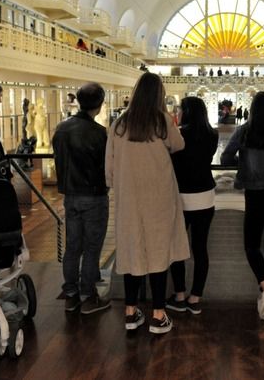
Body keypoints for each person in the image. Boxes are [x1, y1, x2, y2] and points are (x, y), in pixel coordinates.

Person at [105, 72, 189, 335]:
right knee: (158, 253)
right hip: (159, 198)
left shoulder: (119, 124)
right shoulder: (162, 121)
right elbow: (179, 145)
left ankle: (130, 312)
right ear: (159, 95)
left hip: (129, 199)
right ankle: (158, 314)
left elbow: (109, 168)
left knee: (132, 252)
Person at [221, 91, 264, 320]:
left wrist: (244, 164)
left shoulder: (244, 131)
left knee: (251, 245)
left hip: (255, 194)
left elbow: (225, 158)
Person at [53, 83, 111, 315]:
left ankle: (70, 294)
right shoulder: (98, 133)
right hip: (94, 196)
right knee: (92, 247)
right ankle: (88, 295)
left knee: (72, 246)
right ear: (100, 104)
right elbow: (105, 167)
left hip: (71, 196)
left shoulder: (61, 129)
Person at [166, 97, 219, 315]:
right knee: (200, 248)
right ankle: (195, 297)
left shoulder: (179, 134)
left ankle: (179, 295)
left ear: (185, 111)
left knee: (178, 247)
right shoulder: (212, 134)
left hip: (180, 195)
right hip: (205, 195)